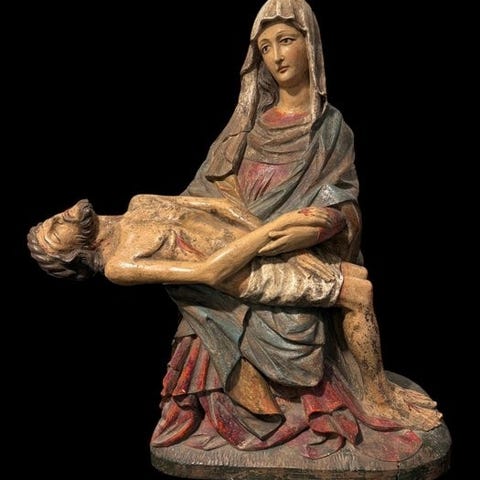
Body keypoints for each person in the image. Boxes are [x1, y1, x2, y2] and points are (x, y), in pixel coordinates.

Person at [143, 0, 441, 461]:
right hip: (239, 255)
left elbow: (344, 204)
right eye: (265, 47)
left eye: (286, 40)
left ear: (310, 45)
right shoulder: (243, 130)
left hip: (298, 254)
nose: (277, 56)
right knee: (208, 309)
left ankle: (374, 394)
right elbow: (199, 199)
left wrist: (322, 227)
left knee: (328, 306)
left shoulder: (330, 129)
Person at [28, 196, 440, 444]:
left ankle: (373, 384)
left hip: (258, 240)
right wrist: (272, 235)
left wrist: (278, 236)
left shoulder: (139, 203)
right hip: (249, 275)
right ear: (73, 255)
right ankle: (378, 396)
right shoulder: (120, 265)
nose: (58, 218)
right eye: (54, 233)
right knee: (358, 294)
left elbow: (219, 206)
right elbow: (209, 273)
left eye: (49, 221)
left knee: (357, 275)